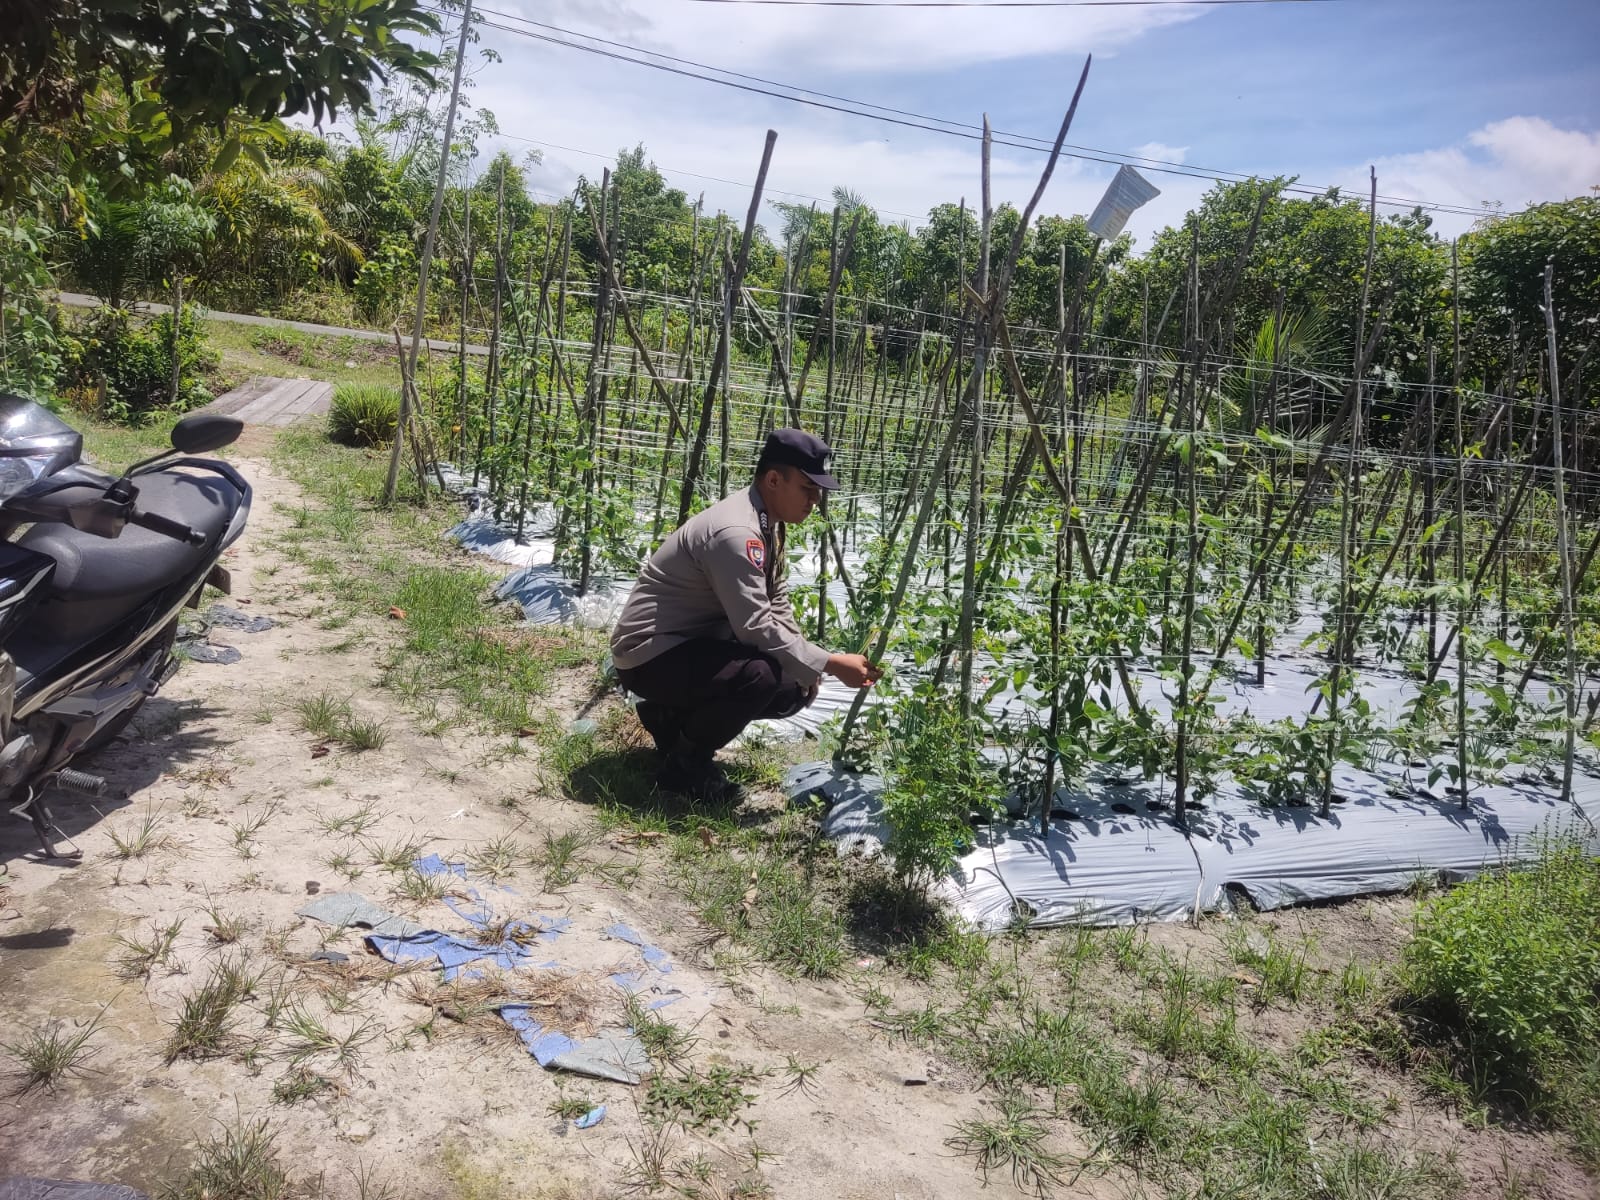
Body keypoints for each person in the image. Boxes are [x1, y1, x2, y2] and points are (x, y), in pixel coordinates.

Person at [611, 428, 880, 794]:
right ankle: (684, 767)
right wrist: (829, 663)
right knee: (760, 678)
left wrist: (806, 664)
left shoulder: (766, 521)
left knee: (792, 687)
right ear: (774, 480)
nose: (815, 500)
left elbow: (775, 598)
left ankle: (669, 719)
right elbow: (754, 625)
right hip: (648, 654)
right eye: (807, 488)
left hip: (686, 646)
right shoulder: (738, 533)